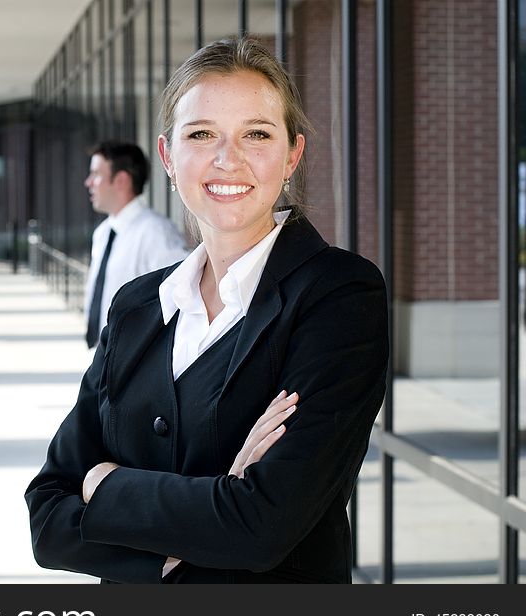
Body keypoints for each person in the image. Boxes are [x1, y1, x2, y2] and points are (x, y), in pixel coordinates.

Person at [25, 37, 389, 583]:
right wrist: (219, 499)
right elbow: (47, 517)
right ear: (169, 156)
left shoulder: (339, 296)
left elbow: (262, 527)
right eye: (201, 134)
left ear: (292, 154)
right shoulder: (137, 308)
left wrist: (105, 485)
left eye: (256, 134)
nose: (228, 158)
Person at [83, 140, 190, 348]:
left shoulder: (156, 233)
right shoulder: (103, 233)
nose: (88, 182)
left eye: (96, 174)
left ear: (121, 180)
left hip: (134, 358)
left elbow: (182, 300)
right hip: (103, 355)